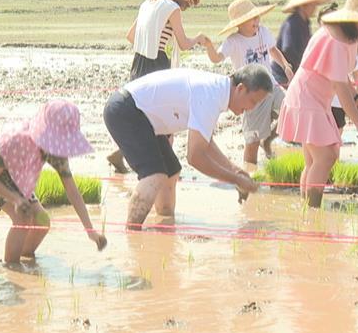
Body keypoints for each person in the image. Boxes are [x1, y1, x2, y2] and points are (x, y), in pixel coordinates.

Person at [103, 65, 269, 227]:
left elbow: (205, 141)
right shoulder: (211, 95)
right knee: (154, 175)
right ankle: (131, 234)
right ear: (240, 89)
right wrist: (235, 179)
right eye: (253, 101)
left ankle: (165, 227)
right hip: (126, 110)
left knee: (170, 172)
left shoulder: (216, 91)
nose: (251, 109)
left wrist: (236, 171)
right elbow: (195, 157)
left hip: (145, 118)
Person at [277, 0, 358, 208]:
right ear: (355, 18)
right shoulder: (336, 39)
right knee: (325, 158)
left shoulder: (346, 37)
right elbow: (339, 86)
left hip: (312, 100)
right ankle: (312, 210)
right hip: (307, 100)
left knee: (313, 160)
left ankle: (306, 210)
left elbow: (341, 76)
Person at [0, 100, 107, 264]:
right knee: (22, 219)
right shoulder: (16, 141)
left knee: (42, 221)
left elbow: (72, 190)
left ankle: (25, 260)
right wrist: (16, 199)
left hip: (14, 172)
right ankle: (12, 270)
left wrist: (90, 230)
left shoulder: (56, 150)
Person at [107, 0, 208, 173]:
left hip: (139, 65)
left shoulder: (149, 2)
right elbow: (183, 43)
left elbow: (130, 36)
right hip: (157, 66)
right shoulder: (173, 8)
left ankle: (122, 154)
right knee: (165, 121)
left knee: (144, 117)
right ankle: (167, 172)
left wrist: (153, 40)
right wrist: (198, 38)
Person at [202, 0, 286, 163]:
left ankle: (269, 140)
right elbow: (216, 58)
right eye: (251, 19)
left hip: (271, 87)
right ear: (239, 24)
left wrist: (285, 65)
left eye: (257, 17)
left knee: (290, 110)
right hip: (250, 97)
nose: (256, 21)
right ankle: (247, 180)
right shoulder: (233, 41)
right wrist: (208, 45)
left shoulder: (264, 32)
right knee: (252, 141)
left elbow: (273, 49)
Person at [274, 0, 333, 88]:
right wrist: (304, 64)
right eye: (313, 5)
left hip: (296, 73)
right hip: (284, 75)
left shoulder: (305, 23)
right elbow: (288, 48)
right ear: (303, 6)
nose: (315, 8)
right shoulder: (292, 23)